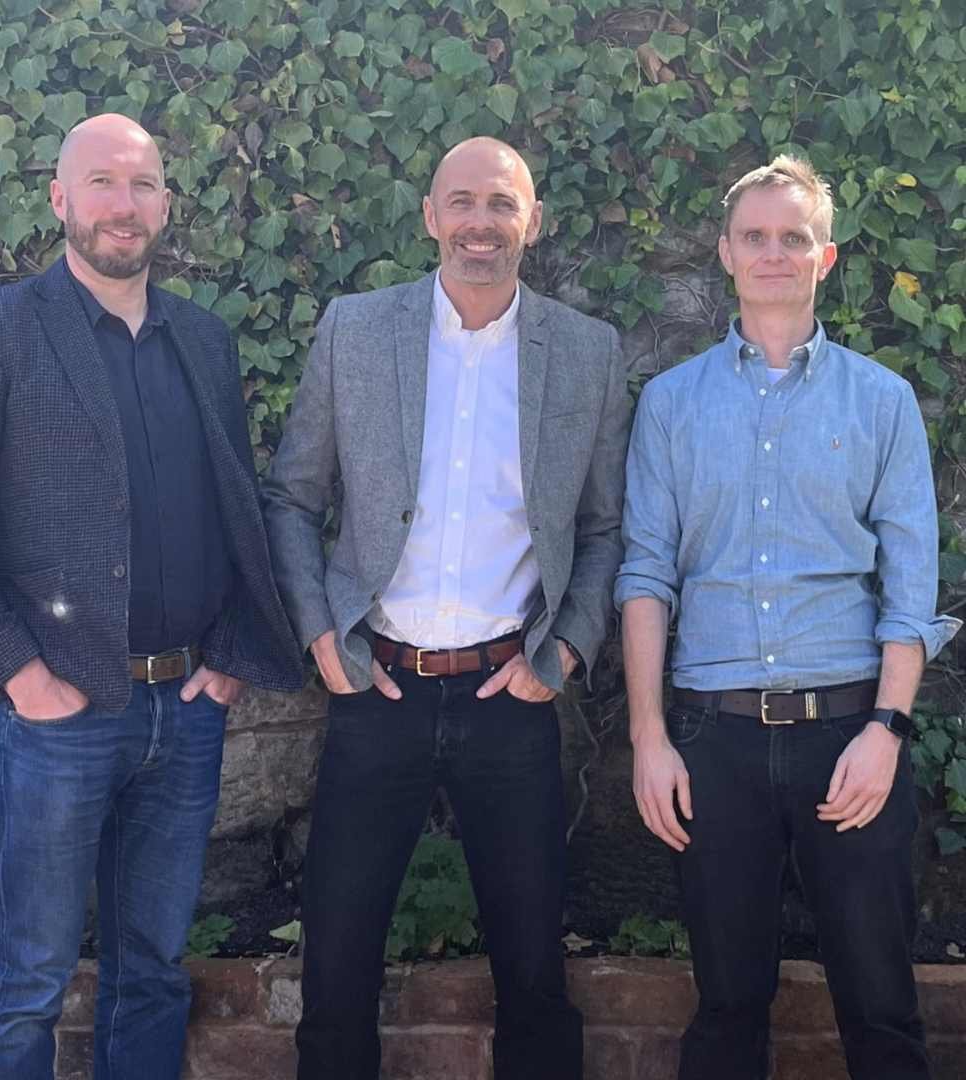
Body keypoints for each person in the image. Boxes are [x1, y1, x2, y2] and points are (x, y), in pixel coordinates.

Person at [0, 113, 303, 1080]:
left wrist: (227, 660)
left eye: (143, 184)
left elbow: (237, 508)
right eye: (103, 183)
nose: (125, 205)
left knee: (153, 971)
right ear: (60, 199)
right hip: (57, 717)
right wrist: (22, 678)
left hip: (185, 711)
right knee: (27, 976)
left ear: (165, 204)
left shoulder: (203, 340)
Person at [262, 136, 630, 1080]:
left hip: (510, 691)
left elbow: (602, 528)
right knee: (336, 960)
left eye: (502, 204)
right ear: (430, 216)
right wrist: (320, 634)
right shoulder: (356, 330)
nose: (480, 223)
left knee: (534, 966)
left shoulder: (586, 353)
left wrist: (567, 651)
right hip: (376, 686)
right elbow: (292, 498)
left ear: (533, 222)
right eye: (461, 202)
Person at [615, 154, 960, 1080]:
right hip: (712, 743)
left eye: (794, 238)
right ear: (726, 253)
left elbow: (909, 587)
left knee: (881, 1007)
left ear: (826, 257)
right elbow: (645, 575)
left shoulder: (881, 402)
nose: (775, 253)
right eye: (756, 237)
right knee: (727, 1006)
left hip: (850, 737)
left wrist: (887, 730)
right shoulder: (671, 404)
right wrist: (648, 739)